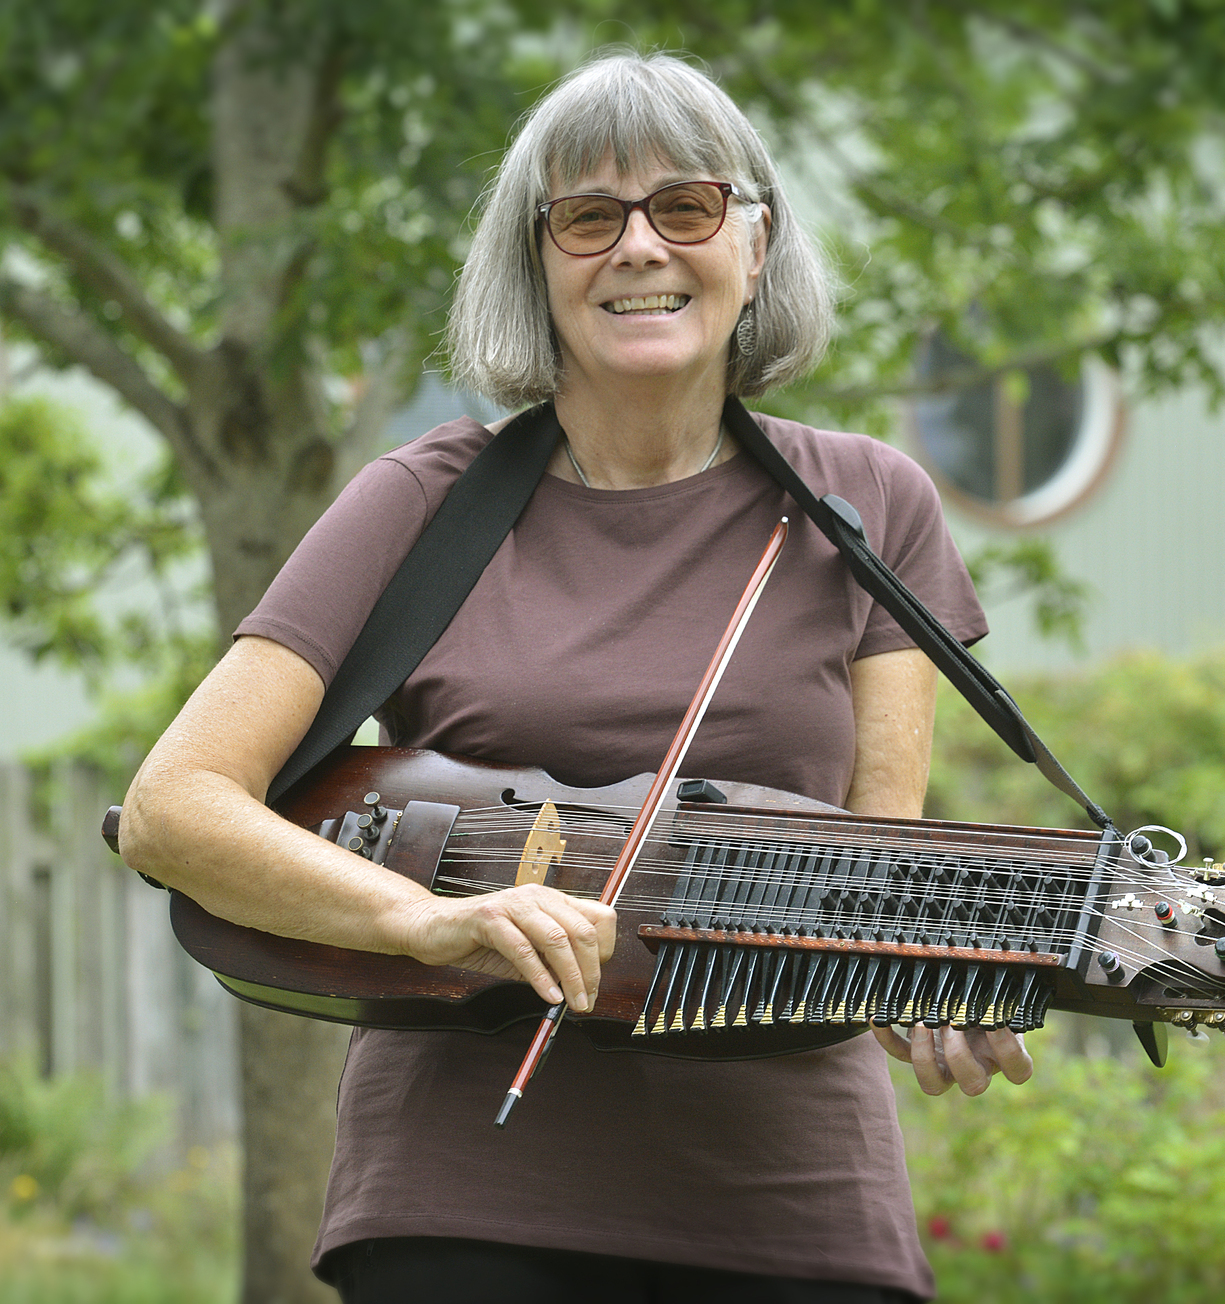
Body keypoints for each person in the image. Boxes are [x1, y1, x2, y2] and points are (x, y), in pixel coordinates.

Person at [119, 49, 1033, 1304]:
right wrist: (431, 922)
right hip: (466, 1194)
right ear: (536, 266)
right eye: (588, 218)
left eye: (687, 207)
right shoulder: (419, 503)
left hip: (789, 1194)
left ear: (752, 247)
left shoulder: (866, 503)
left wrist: (927, 981)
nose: (640, 249)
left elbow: (880, 874)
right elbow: (176, 805)